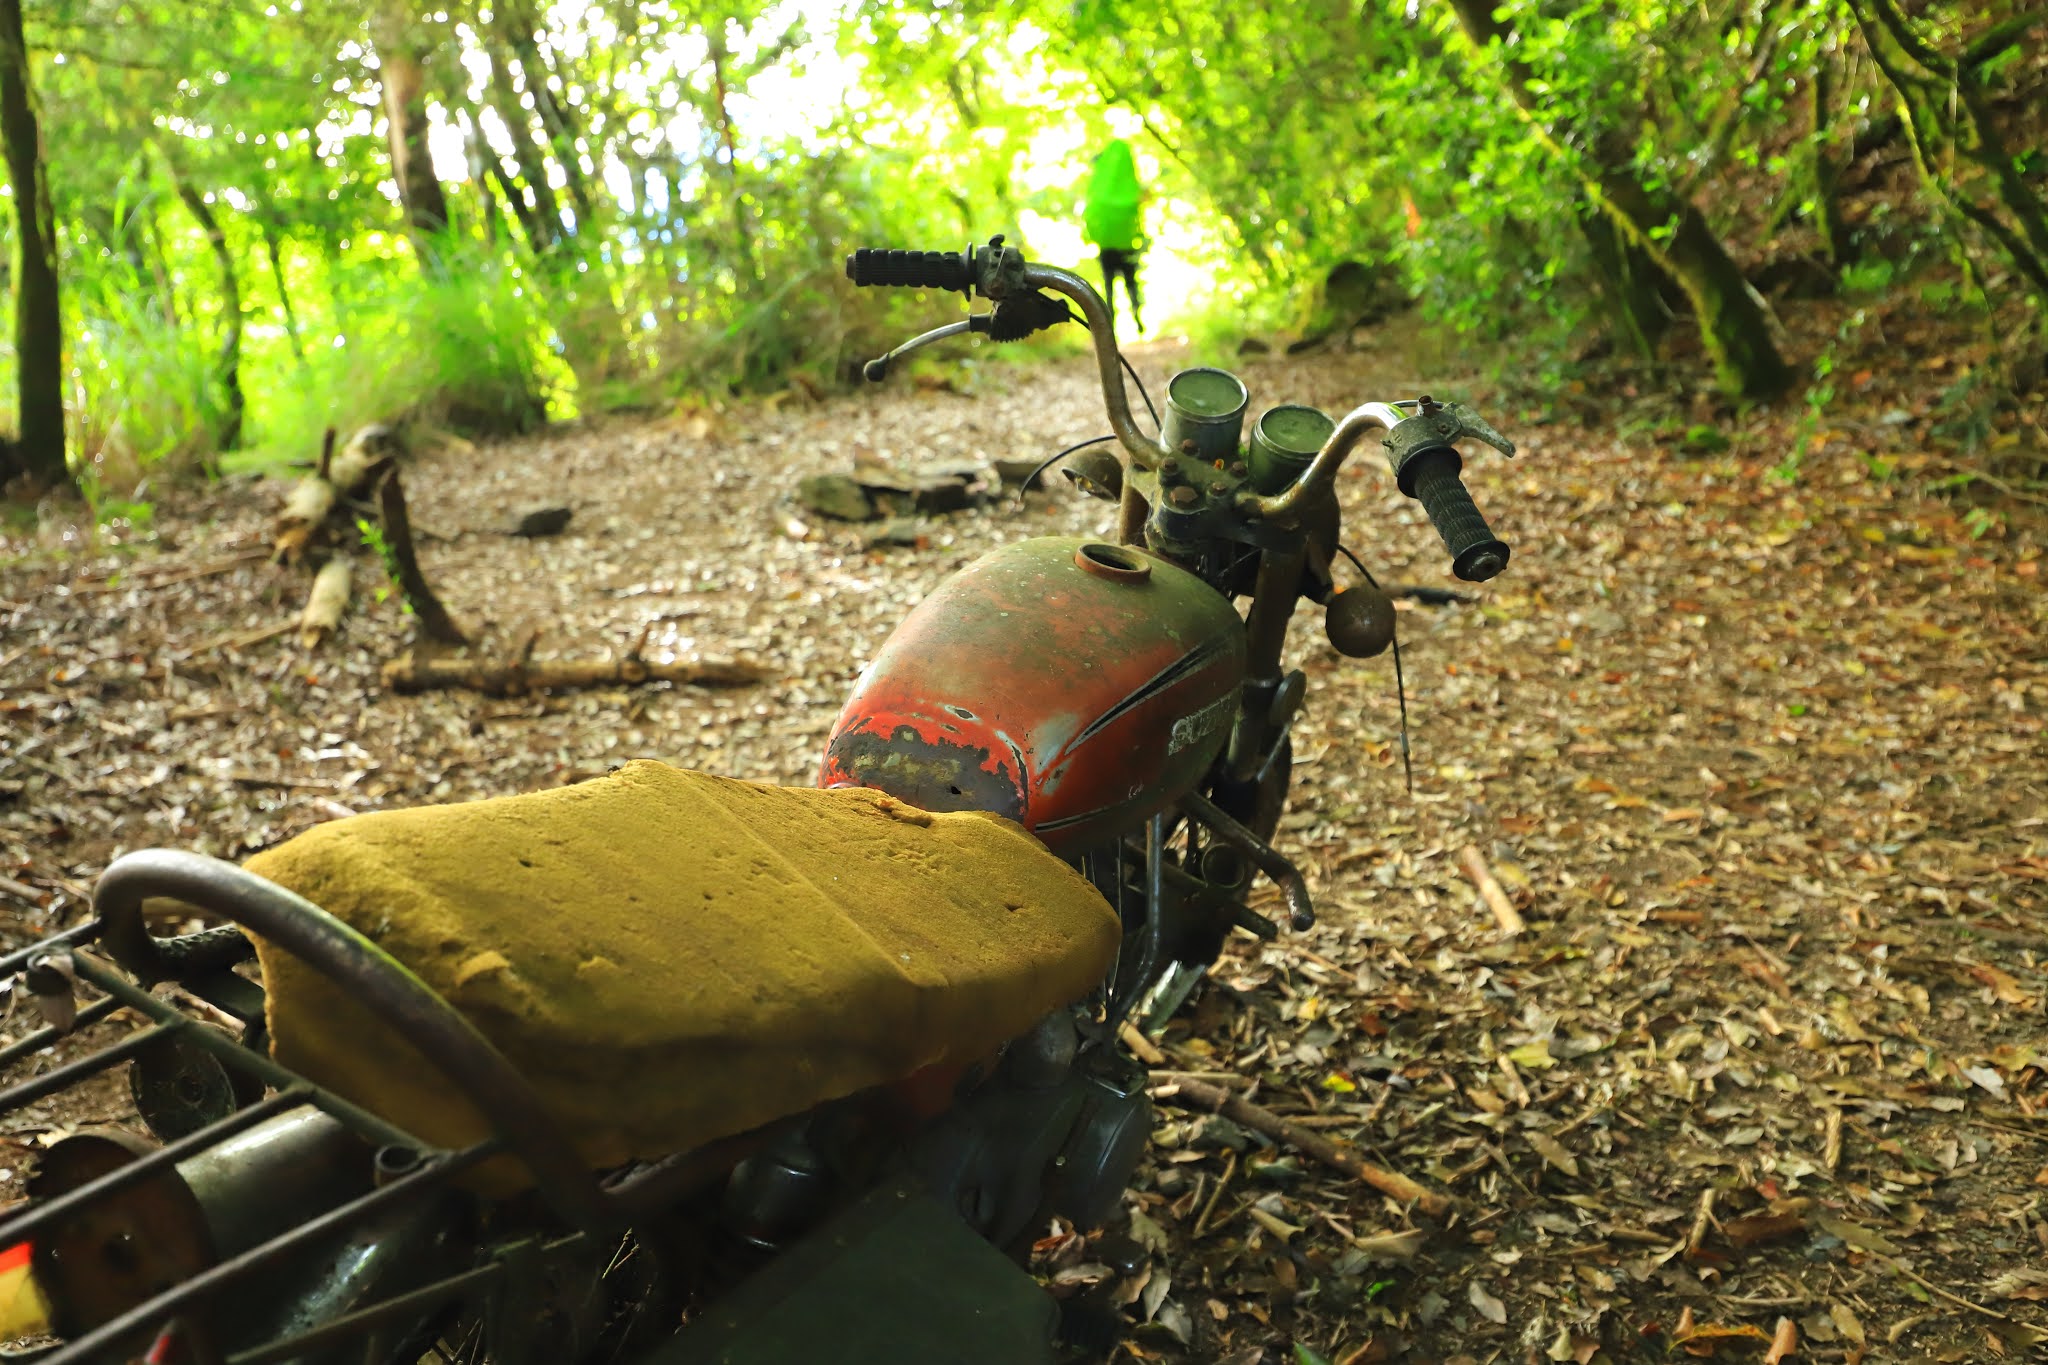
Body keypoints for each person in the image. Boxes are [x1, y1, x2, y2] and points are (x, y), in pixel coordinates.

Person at [1083, 139, 1144, 334]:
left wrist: (1091, 235)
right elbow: (1139, 205)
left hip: (1107, 246)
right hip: (1126, 245)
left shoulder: (1100, 185)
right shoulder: (1128, 185)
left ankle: (1111, 326)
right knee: (1131, 284)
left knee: (1110, 288)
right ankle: (1136, 318)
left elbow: (1090, 213)